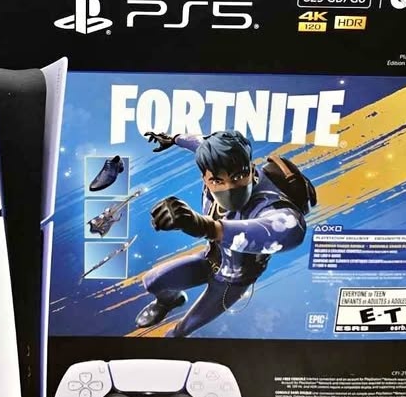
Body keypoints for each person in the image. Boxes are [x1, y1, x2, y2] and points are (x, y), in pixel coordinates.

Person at [135, 129, 315, 337]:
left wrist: (205, 226)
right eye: (217, 181)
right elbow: (199, 143)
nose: (230, 187)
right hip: (209, 259)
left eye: (238, 176)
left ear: (251, 169)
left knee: (179, 332)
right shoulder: (212, 161)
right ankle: (170, 301)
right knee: (152, 281)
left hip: (233, 281)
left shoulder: (267, 202)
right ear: (204, 177)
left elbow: (289, 230)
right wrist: (174, 139)